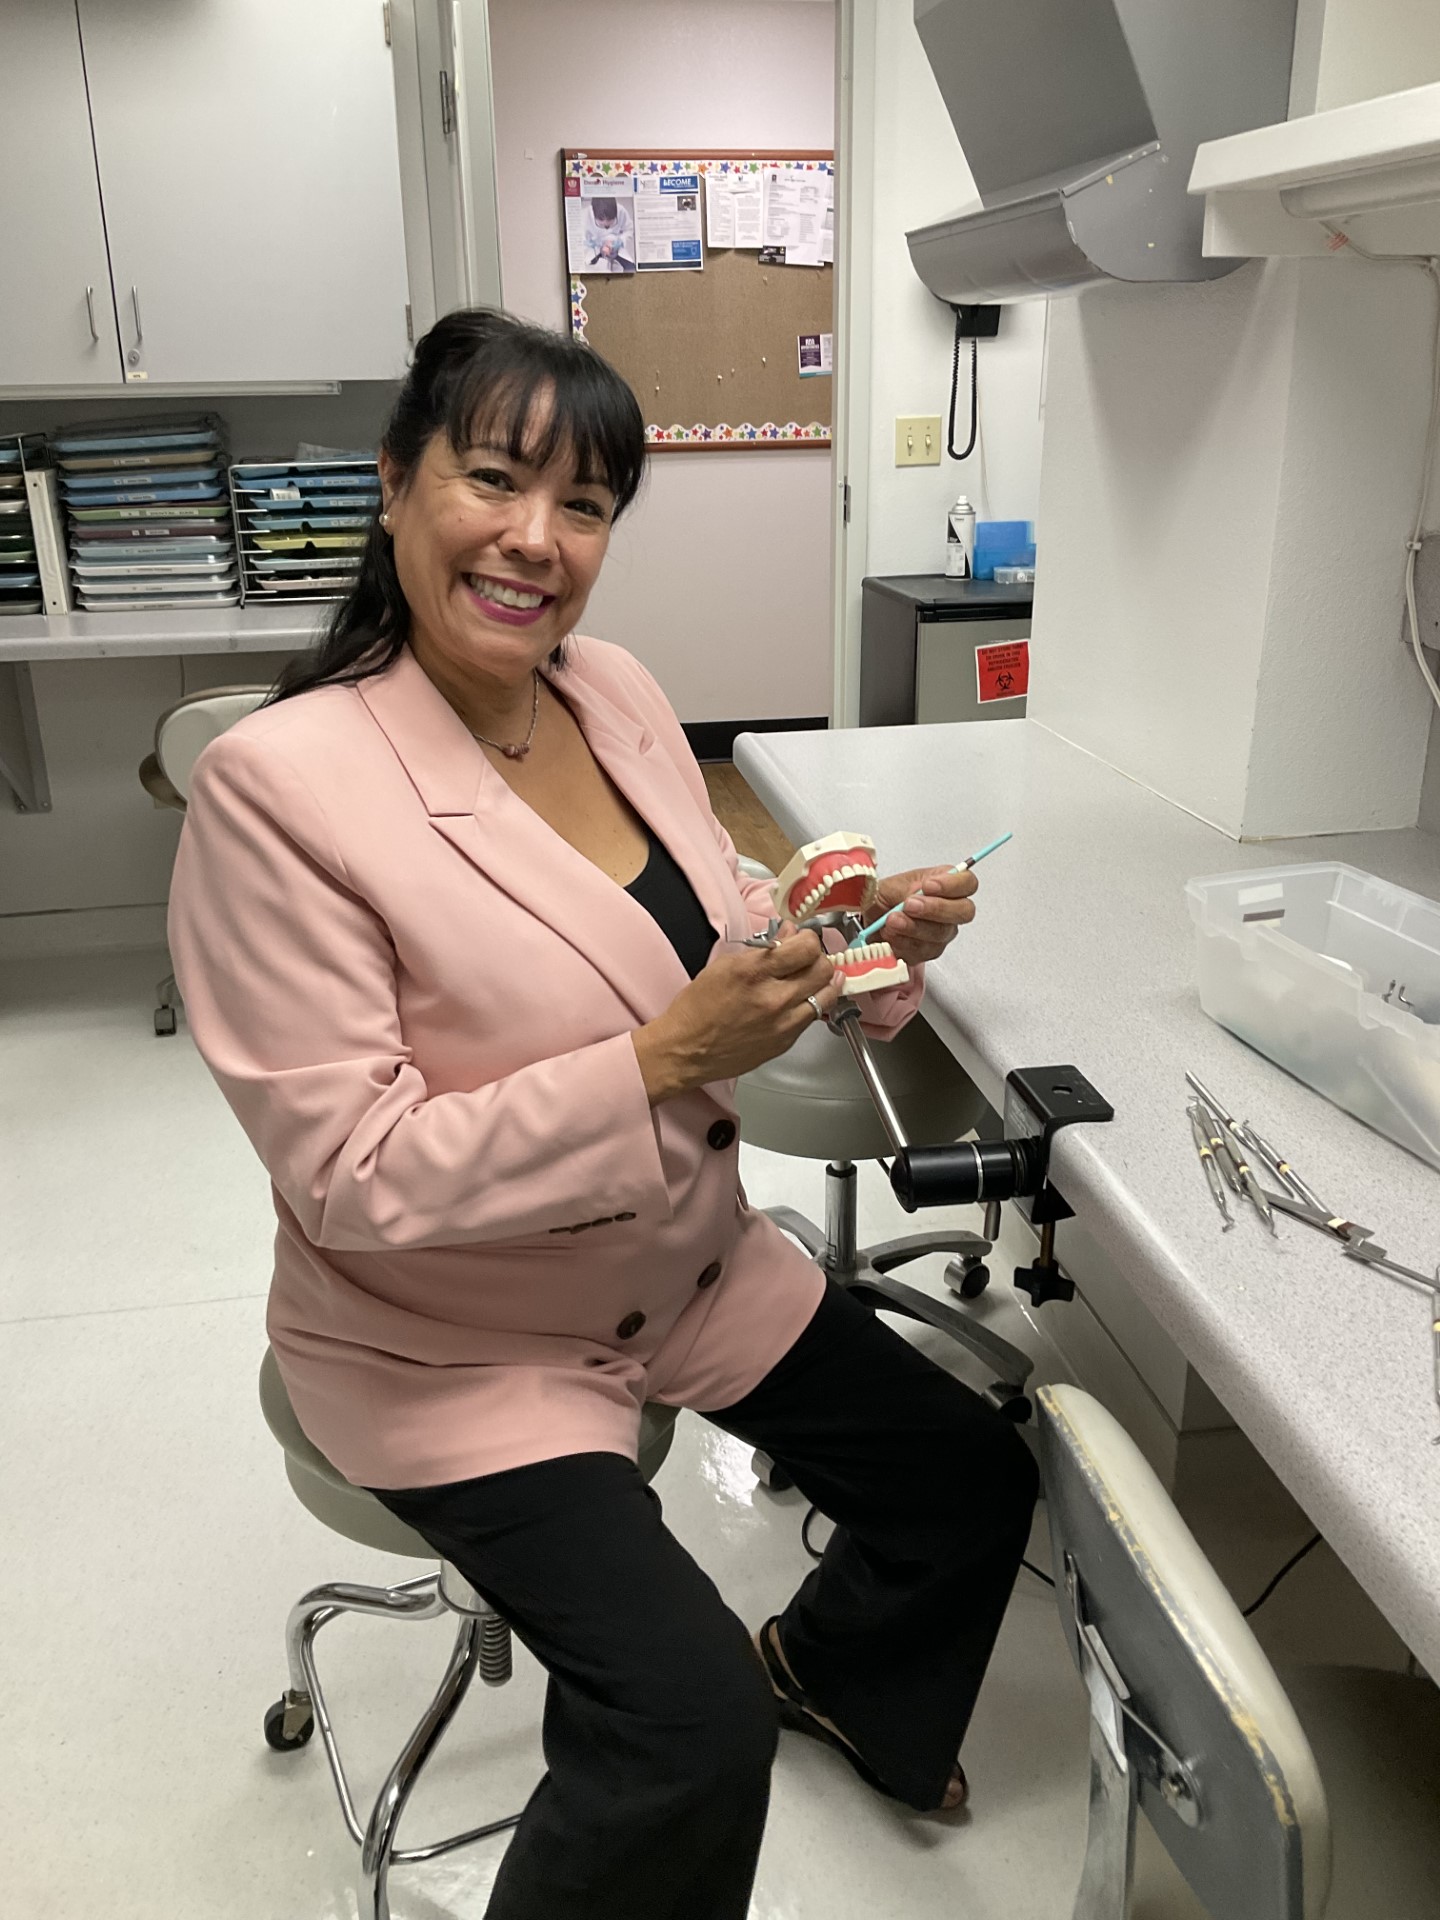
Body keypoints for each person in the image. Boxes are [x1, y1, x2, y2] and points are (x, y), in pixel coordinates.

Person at [168, 308, 1038, 1920]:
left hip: (691, 1265)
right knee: (681, 1726)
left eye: (584, 505)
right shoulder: (281, 792)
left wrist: (844, 944)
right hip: (459, 1343)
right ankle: (741, 1698)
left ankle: (840, 1673)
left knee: (970, 1475)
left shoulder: (614, 691)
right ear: (394, 484)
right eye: (493, 478)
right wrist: (650, 1059)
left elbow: (703, 933)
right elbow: (352, 1176)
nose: (536, 540)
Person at [584, 194, 635, 271]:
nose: (606, 224)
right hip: (595, 250)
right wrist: (592, 244)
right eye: (601, 220)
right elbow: (580, 238)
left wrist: (621, 241)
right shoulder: (585, 214)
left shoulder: (621, 211)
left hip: (616, 249)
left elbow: (630, 229)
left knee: (630, 268)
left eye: (610, 220)